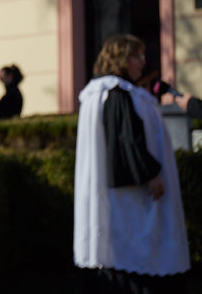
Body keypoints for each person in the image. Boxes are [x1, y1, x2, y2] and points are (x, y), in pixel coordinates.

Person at [74, 34, 189, 292]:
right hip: (133, 195)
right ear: (121, 58)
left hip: (122, 193)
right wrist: (151, 174)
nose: (142, 61)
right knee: (134, 253)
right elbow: (127, 139)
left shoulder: (107, 92)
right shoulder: (117, 93)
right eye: (137, 56)